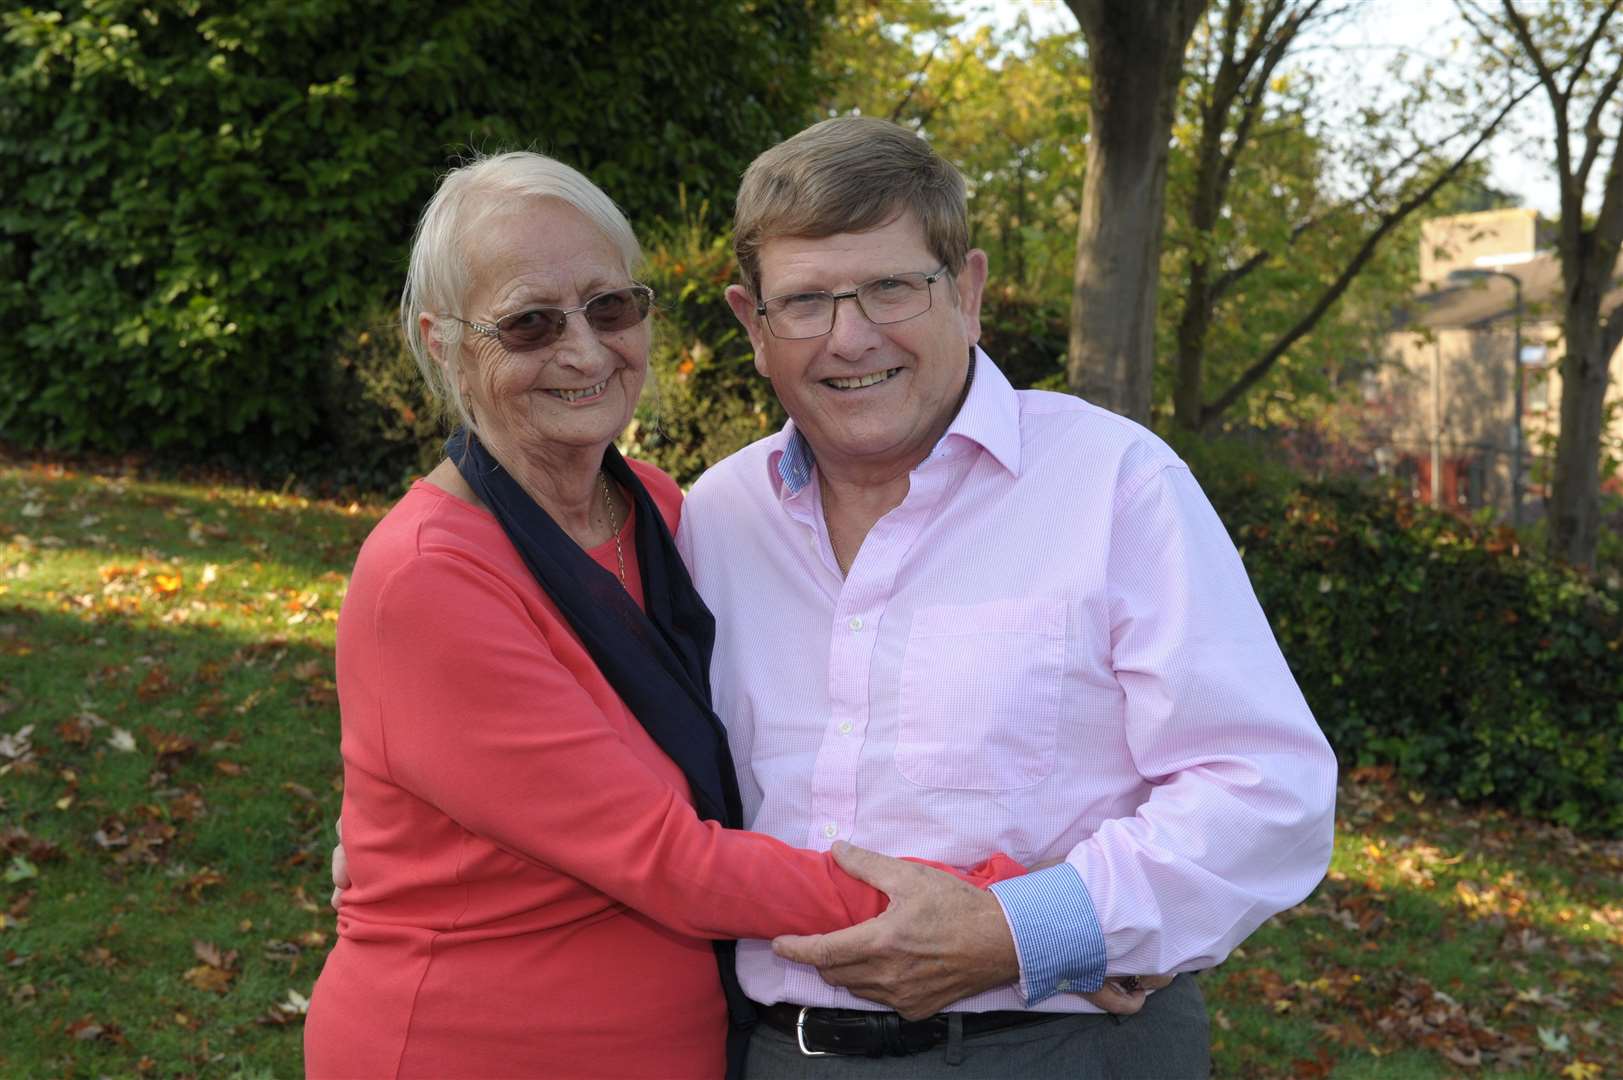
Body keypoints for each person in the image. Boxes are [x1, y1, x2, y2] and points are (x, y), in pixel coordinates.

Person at [301, 150, 1027, 1080]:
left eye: (610, 307)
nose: (583, 350)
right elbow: (666, 856)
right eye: (528, 324)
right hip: (477, 1045)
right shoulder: (428, 579)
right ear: (445, 345)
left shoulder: (658, 510)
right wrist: (1003, 921)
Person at [667, 115, 1340, 1076]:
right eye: (806, 301)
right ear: (752, 325)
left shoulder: (1113, 484)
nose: (850, 337)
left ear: (968, 290)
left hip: (1055, 1046)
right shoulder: (714, 520)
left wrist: (1023, 932)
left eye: (892, 287)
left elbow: (1265, 790)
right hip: (774, 1053)